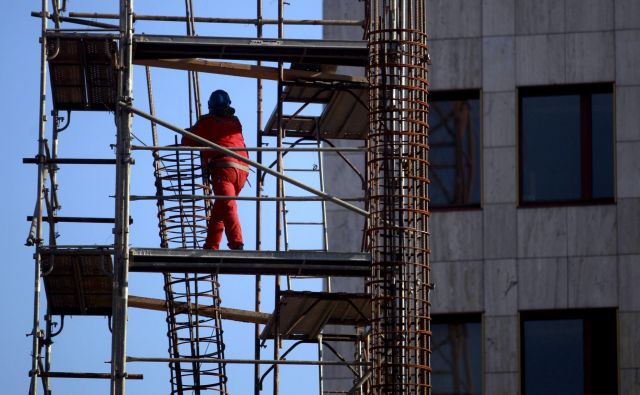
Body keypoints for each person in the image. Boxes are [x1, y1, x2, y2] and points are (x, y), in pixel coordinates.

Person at [182, 90, 249, 250]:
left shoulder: (207, 122)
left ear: (210, 107)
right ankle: (211, 245)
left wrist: (191, 129)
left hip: (224, 169)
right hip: (242, 171)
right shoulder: (235, 122)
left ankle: (236, 243)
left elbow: (187, 140)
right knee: (221, 207)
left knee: (227, 205)